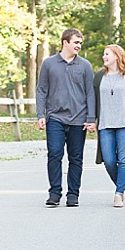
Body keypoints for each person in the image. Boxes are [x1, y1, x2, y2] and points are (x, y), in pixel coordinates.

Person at [36, 28, 96, 208]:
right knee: (55, 154)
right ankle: (54, 193)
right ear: (65, 42)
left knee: (76, 158)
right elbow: (41, 90)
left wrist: (91, 118)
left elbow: (90, 93)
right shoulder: (49, 64)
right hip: (55, 117)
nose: (79, 46)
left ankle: (73, 195)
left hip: (79, 119)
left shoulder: (85, 66)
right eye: (76, 42)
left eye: (80, 43)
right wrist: (40, 114)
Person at [93, 44, 125, 208]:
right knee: (109, 160)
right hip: (105, 124)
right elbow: (94, 100)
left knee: (123, 159)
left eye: (107, 54)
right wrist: (92, 119)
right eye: (104, 54)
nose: (104, 57)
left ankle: (118, 193)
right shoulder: (99, 76)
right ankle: (121, 183)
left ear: (116, 56)